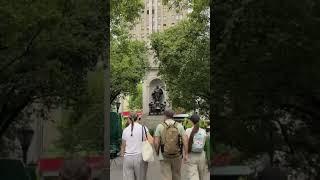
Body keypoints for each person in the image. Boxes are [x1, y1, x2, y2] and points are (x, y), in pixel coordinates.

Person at [154, 109, 189, 180]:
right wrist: (186, 154)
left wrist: (157, 152)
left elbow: (156, 142)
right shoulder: (179, 126)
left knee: (166, 176)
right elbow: (185, 140)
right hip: (177, 155)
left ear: (165, 116)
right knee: (177, 175)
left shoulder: (160, 126)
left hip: (164, 155)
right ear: (173, 116)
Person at [120, 112, 151, 180]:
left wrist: (123, 156)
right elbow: (151, 141)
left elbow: (123, 146)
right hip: (139, 157)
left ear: (128, 119)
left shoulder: (125, 130)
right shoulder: (143, 128)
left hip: (127, 158)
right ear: (138, 118)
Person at [184, 114, 208, 180]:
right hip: (201, 155)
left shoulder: (187, 131)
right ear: (199, 121)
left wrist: (186, 155)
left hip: (191, 155)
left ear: (191, 121)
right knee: (201, 176)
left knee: (193, 176)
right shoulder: (203, 131)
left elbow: (186, 144)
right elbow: (205, 144)